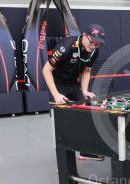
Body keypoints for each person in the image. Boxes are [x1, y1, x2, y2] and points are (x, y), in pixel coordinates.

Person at [43, 24, 106, 161]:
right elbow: (46, 69)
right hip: (58, 85)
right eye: (91, 41)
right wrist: (56, 94)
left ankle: (85, 152)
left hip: (73, 84)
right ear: (84, 36)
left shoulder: (94, 51)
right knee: (62, 124)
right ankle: (64, 163)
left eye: (97, 44)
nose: (93, 46)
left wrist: (84, 90)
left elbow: (87, 71)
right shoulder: (65, 47)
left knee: (86, 115)